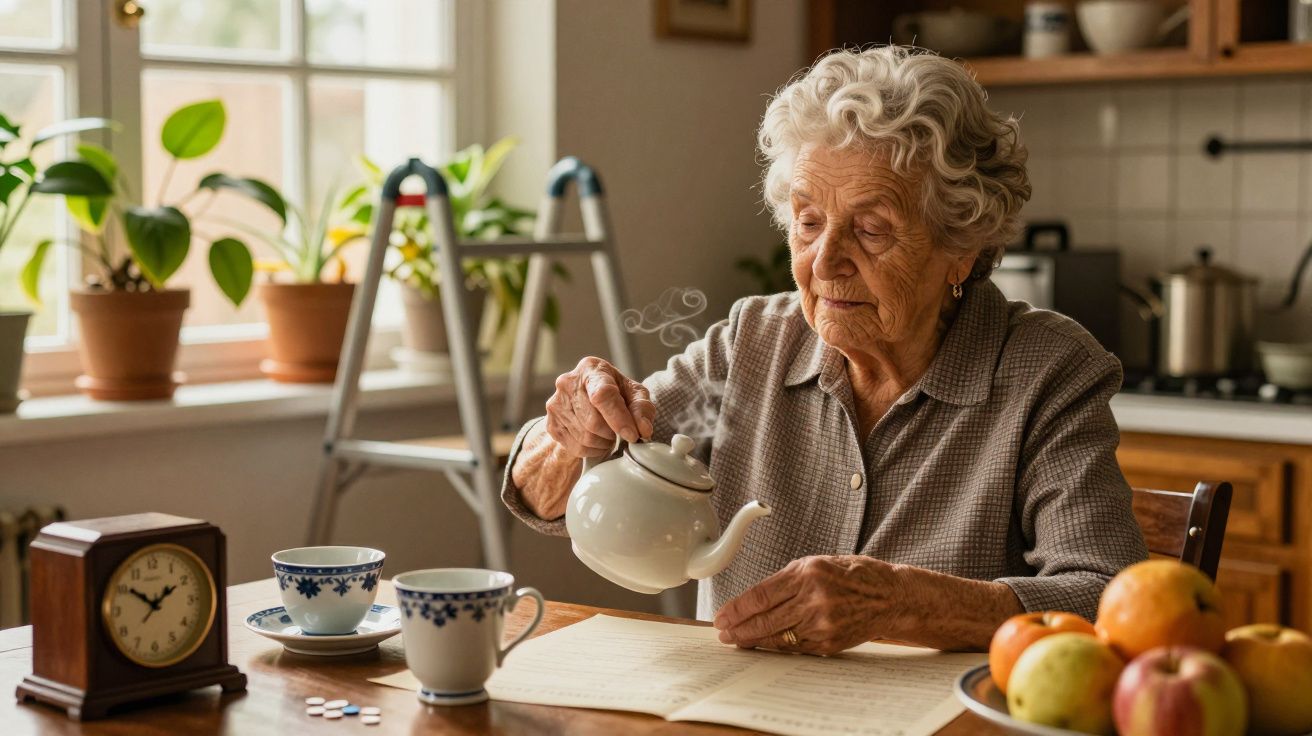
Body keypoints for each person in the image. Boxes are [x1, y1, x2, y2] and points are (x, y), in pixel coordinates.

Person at [500, 46, 1148, 654]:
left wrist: (903, 604)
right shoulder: (752, 343)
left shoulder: (1048, 373)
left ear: (963, 248)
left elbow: (1106, 602)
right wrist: (568, 433)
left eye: (871, 229)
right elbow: (545, 500)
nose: (825, 261)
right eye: (808, 222)